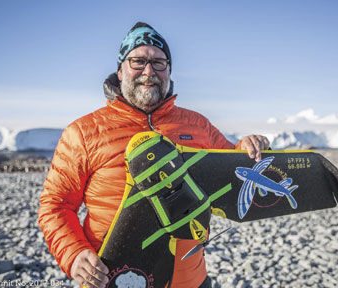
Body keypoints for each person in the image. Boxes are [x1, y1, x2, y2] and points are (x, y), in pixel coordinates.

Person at [38, 22, 270, 288]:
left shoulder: (197, 125)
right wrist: (74, 253)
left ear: (169, 71)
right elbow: (55, 205)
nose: (149, 72)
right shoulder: (84, 132)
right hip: (115, 278)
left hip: (191, 280)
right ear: (120, 69)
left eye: (159, 63)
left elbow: (234, 166)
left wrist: (249, 146)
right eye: (138, 61)